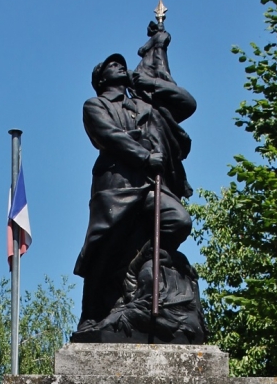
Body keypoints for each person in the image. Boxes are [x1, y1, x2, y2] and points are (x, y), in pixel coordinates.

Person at [72, 40, 206, 343]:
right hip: (116, 187)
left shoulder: (144, 104)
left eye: (122, 63)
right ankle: (91, 313)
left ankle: (140, 265)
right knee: (103, 250)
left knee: (179, 221)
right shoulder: (95, 106)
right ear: (102, 79)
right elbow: (109, 136)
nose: (120, 65)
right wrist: (146, 156)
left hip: (148, 185)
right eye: (112, 65)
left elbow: (186, 104)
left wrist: (146, 80)